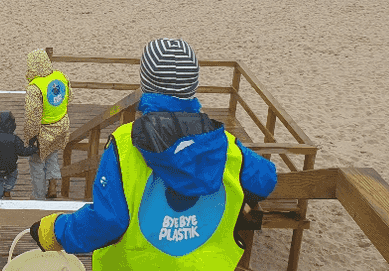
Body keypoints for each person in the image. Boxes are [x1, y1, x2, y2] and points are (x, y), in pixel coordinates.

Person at [28, 38, 278, 270]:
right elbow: (265, 180)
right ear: (195, 86)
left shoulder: (125, 144)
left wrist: (54, 232)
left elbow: (107, 223)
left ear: (145, 86)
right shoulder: (224, 144)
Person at [23, 49, 71, 200]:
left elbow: (33, 116)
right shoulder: (60, 76)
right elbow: (69, 96)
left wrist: (30, 138)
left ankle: (38, 197)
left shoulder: (34, 88)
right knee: (53, 154)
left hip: (44, 131)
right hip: (61, 125)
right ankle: (53, 185)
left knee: (37, 163)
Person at [0, 111, 39, 199]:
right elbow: (23, 151)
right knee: (13, 176)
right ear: (13, 124)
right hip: (10, 167)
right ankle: (7, 190)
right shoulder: (15, 139)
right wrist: (34, 149)